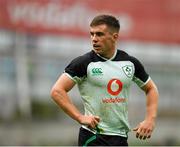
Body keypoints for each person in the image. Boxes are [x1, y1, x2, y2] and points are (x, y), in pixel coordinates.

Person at [50, 14, 159, 146]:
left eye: (99, 34)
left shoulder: (130, 63)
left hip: (120, 137)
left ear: (115, 37)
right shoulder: (84, 63)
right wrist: (80, 117)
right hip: (93, 136)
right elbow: (57, 91)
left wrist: (150, 120)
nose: (94, 39)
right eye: (92, 34)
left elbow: (151, 89)